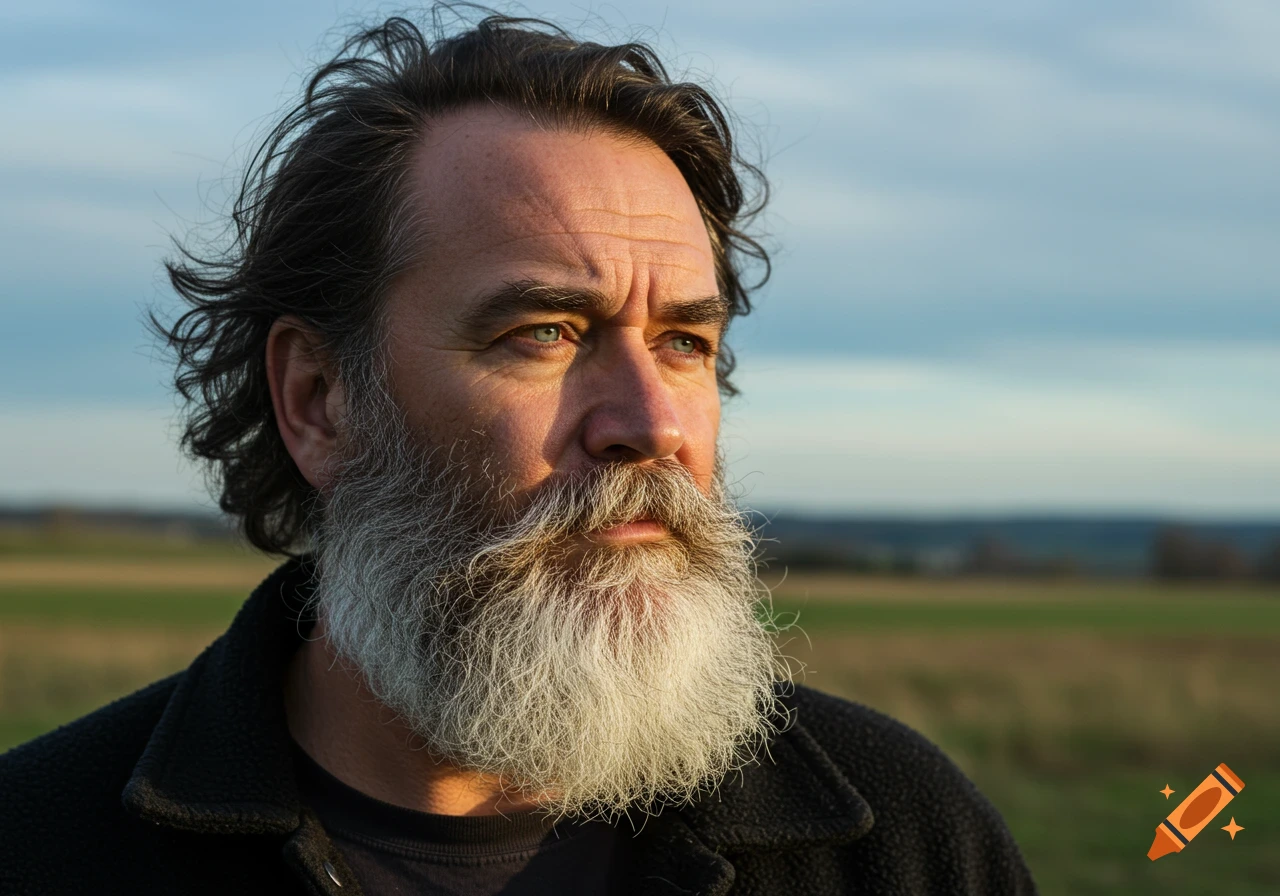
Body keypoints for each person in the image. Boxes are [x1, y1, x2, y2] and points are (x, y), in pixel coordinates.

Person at [0, 11, 1037, 895]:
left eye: (684, 342)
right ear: (318, 402)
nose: (652, 424)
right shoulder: (41, 845)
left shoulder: (896, 839)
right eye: (544, 332)